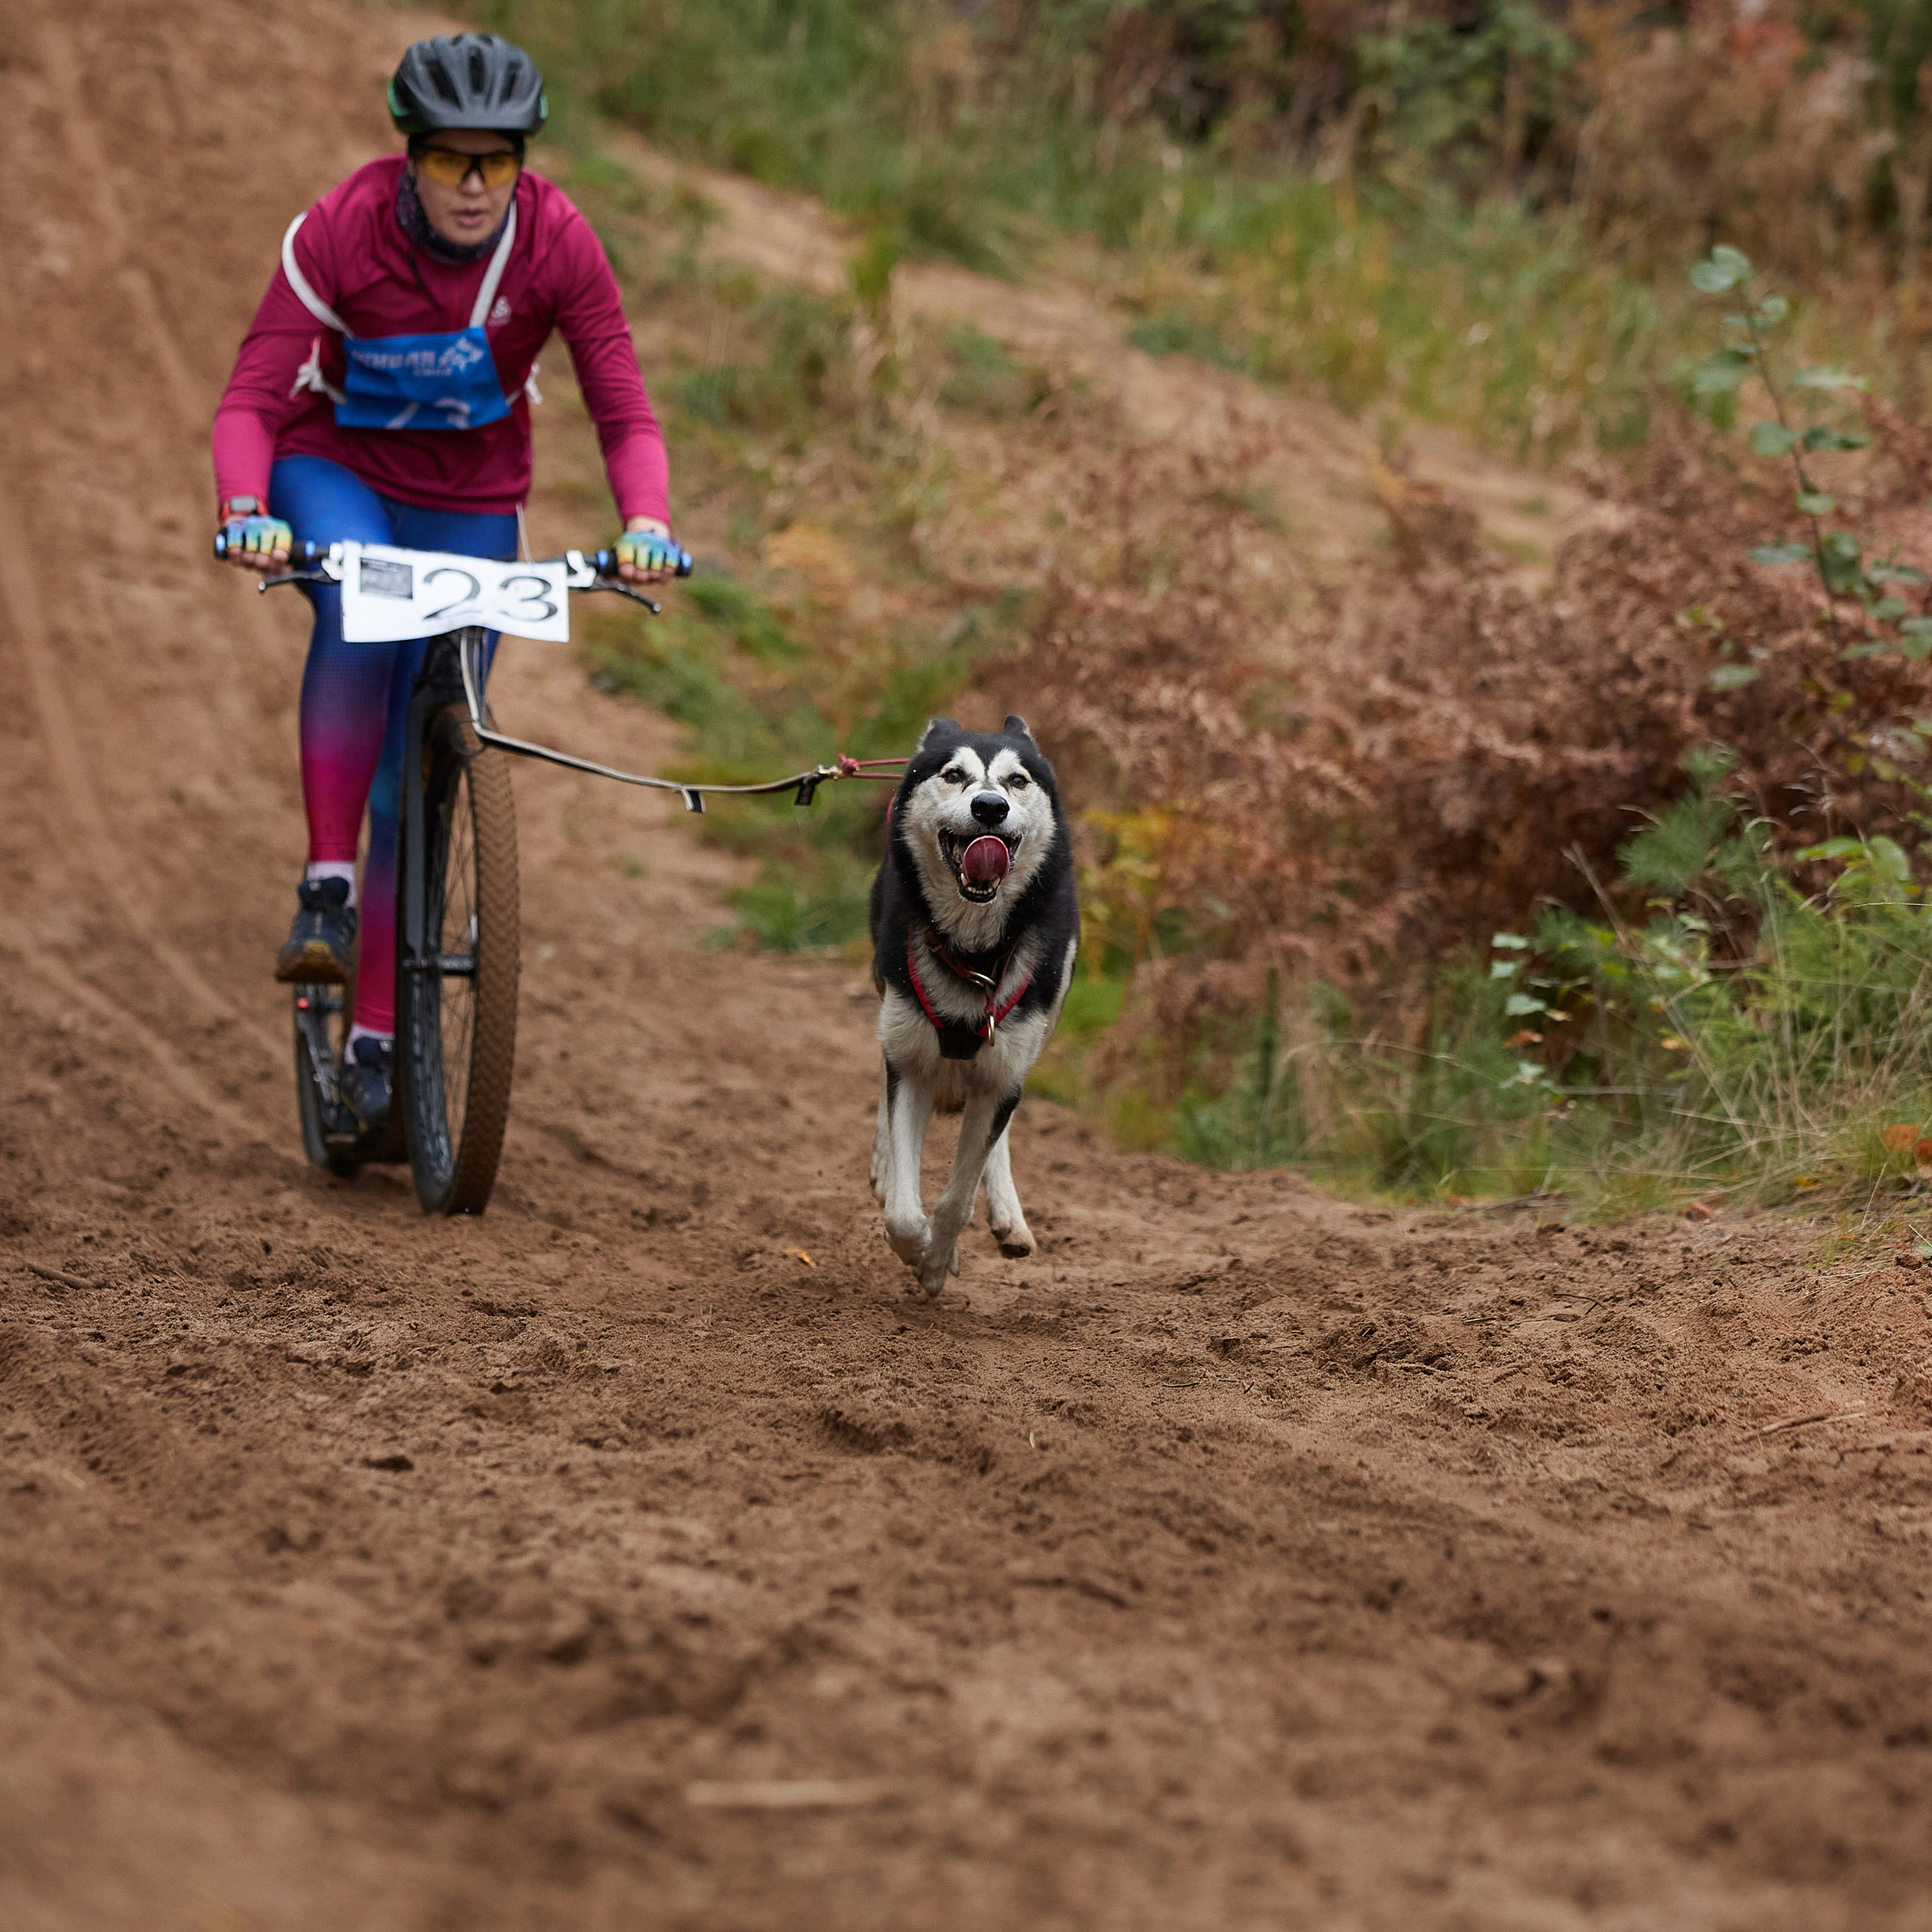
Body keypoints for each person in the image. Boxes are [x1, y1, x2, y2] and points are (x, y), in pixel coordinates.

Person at [211, 32, 676, 1134]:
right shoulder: (340, 230)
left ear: (524, 163)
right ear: (410, 156)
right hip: (339, 475)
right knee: (364, 621)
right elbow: (251, 400)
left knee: (410, 788)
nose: (475, 186)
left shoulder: (558, 242)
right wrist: (247, 511)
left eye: (498, 162)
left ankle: (376, 1046)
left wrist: (646, 522)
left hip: (473, 503)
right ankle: (326, 883)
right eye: (450, 160)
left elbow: (622, 403)